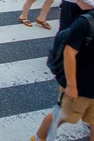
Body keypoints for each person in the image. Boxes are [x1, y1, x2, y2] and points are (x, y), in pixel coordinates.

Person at [30, 10, 94, 141]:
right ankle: (37, 138)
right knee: (61, 116)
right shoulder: (85, 23)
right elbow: (69, 53)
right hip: (81, 86)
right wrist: (71, 85)